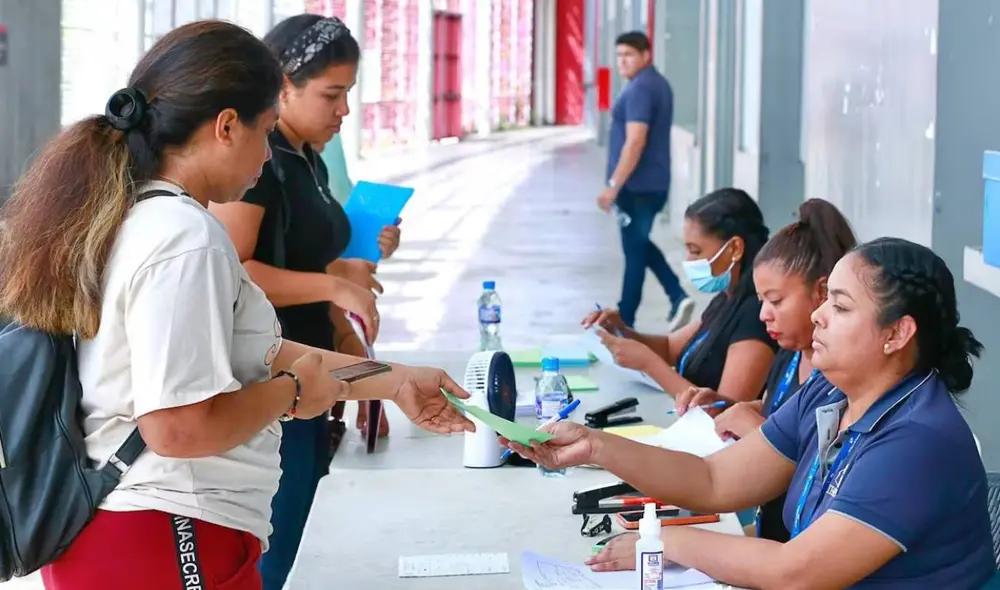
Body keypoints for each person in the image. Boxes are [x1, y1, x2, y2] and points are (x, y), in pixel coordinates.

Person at [0, 20, 473, 589]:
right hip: (165, 533)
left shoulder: (135, 215)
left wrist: (395, 380)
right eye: (266, 128)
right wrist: (294, 395)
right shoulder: (182, 236)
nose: (267, 156)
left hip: (148, 532)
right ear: (227, 126)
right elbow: (176, 428)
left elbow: (266, 353)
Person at [510, 237, 995, 589]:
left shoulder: (917, 440)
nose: (818, 315)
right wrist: (596, 446)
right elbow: (713, 481)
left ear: (896, 334)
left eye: (841, 308)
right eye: (825, 300)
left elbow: (795, 571)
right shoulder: (829, 391)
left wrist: (667, 545)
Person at [207, 15, 396, 590]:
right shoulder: (259, 166)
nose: (343, 111)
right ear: (282, 87)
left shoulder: (305, 156)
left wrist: (358, 362)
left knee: (299, 536)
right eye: (331, 95)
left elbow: (308, 260)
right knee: (276, 546)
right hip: (272, 375)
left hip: (315, 372)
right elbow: (237, 269)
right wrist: (335, 286)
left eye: (348, 96)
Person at [675, 198, 858, 542]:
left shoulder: (840, 380)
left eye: (775, 301)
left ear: (821, 293)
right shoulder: (789, 356)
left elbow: (824, 473)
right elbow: (787, 410)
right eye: (761, 301)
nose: (763, 315)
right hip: (769, 531)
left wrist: (758, 429)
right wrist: (727, 405)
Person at [584, 188, 777, 402]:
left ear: (735, 248)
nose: (688, 260)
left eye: (696, 251)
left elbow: (726, 411)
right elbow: (671, 347)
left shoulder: (755, 317)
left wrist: (649, 364)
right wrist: (622, 331)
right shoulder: (727, 298)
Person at [597, 30, 692, 331]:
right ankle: (676, 295)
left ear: (646, 55)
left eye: (629, 55)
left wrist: (613, 185)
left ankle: (625, 320)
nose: (622, 61)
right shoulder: (657, 85)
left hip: (636, 188)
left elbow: (635, 141)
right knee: (638, 245)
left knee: (634, 253)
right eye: (619, 55)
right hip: (651, 185)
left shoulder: (640, 89)